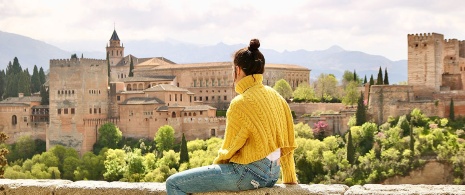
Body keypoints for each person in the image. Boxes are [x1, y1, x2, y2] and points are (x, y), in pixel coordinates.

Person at [165, 39, 297, 195]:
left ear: (238, 70)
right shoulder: (277, 97)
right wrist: (289, 177)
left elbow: (230, 148)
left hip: (248, 173)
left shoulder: (241, 102)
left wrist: (216, 169)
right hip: (273, 174)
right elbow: (287, 142)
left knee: (174, 184)